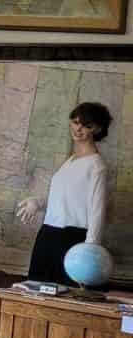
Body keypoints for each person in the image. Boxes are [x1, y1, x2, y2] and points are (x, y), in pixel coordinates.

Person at [15, 101, 112, 284]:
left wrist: (90, 250)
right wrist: (38, 203)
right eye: (76, 122)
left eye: (87, 125)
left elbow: (97, 211)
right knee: (37, 291)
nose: (78, 129)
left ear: (97, 129)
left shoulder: (96, 166)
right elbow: (65, 198)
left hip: (73, 241)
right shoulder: (71, 161)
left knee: (67, 295)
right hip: (48, 234)